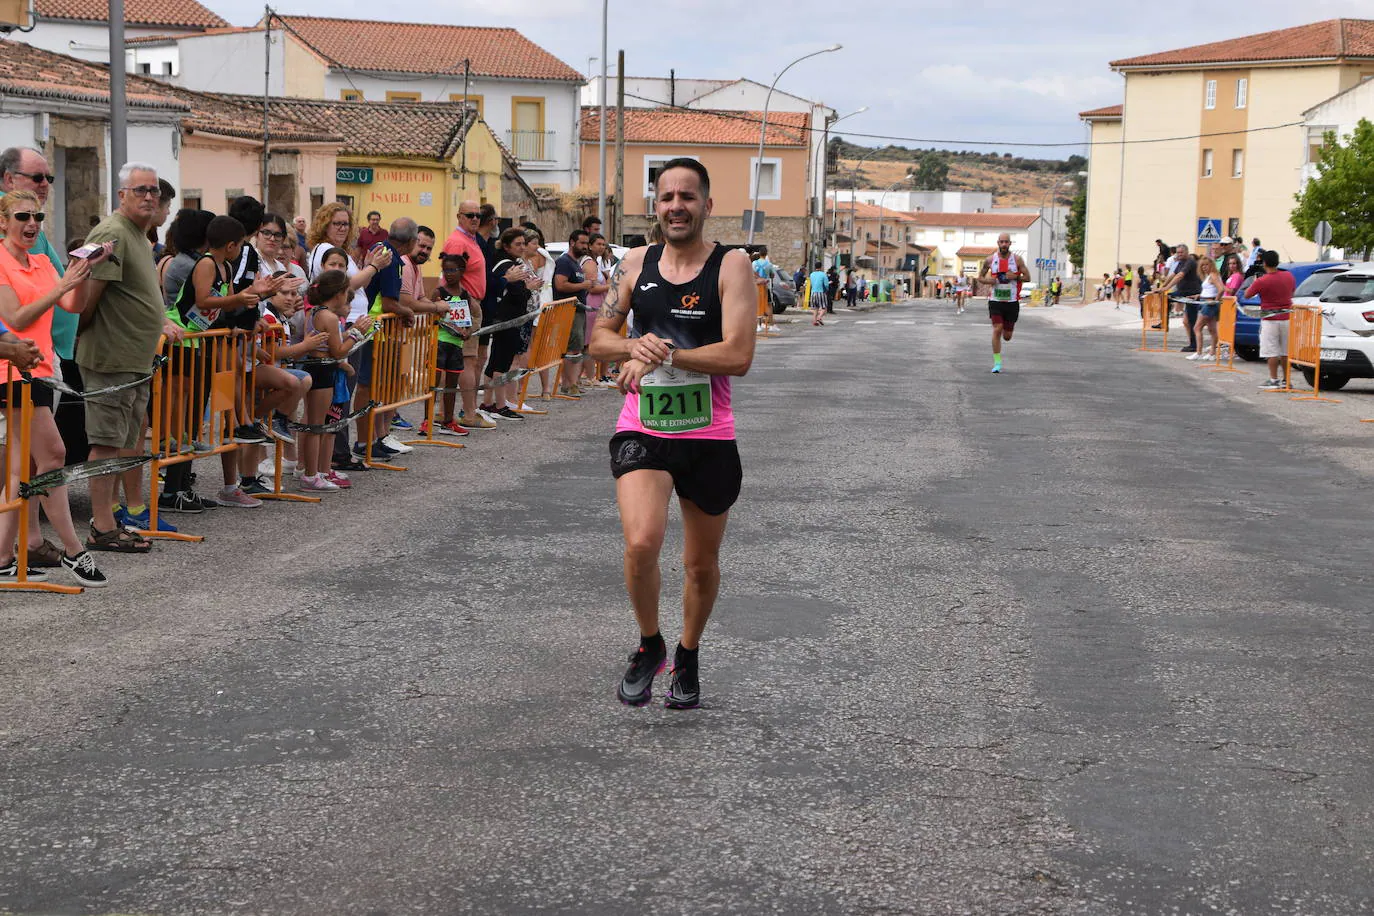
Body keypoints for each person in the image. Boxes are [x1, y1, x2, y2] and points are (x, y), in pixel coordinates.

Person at [587, 157, 756, 710]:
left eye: (687, 196)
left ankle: (687, 652)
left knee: (699, 565)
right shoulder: (635, 263)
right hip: (645, 425)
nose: (676, 206)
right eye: (666, 197)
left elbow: (738, 355)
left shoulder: (732, 266)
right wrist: (635, 347)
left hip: (708, 434)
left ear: (708, 205)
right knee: (641, 544)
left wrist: (667, 351)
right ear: (653, 206)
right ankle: (649, 644)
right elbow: (599, 339)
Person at [78, 162, 187, 552]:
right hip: (111, 357)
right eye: (140, 190)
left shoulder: (139, 236)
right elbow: (87, 301)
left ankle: (110, 521)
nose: (149, 196)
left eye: (153, 190)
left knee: (124, 443)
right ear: (121, 194)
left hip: (133, 360)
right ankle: (102, 527)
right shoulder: (112, 233)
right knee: (106, 444)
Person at [0, 190, 107, 585]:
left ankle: (1, 557)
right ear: (3, 222)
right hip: (12, 372)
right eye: (22, 216)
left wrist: (83, 273)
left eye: (38, 217)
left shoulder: (43, 260)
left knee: (21, 469)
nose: (31, 224)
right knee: (55, 453)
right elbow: (16, 316)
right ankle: (74, 551)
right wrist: (63, 287)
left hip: (43, 369)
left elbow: (74, 307)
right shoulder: (0, 260)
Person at [305, 203, 393, 466]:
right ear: (324, 225)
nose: (342, 228)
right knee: (339, 393)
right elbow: (344, 284)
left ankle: (335, 453)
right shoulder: (324, 249)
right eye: (336, 223)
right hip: (344, 325)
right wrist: (374, 267)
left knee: (343, 391)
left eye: (346, 223)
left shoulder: (339, 251)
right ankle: (336, 455)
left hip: (350, 323)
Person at [297, 269, 371, 491]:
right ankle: (311, 475)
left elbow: (331, 347)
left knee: (317, 424)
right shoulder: (328, 316)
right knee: (317, 427)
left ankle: (317, 471)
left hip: (321, 369)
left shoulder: (317, 312)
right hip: (322, 371)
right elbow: (338, 351)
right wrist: (357, 333)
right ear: (339, 294)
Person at [441, 201, 495, 430]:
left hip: (467, 302)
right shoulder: (456, 241)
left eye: (478, 215)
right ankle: (469, 413)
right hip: (462, 303)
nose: (475, 219)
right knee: (467, 360)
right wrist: (463, 305)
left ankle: (446, 412)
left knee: (460, 359)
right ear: (459, 217)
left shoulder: (469, 240)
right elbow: (449, 274)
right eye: (470, 215)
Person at [480, 227, 540, 420]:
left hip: (507, 318)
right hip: (507, 319)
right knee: (501, 363)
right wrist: (529, 288)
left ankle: (487, 403)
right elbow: (516, 293)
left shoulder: (509, 262)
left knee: (494, 362)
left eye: (524, 243)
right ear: (506, 245)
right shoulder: (507, 265)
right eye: (518, 244)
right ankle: (499, 405)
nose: (522, 247)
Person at [976, 233, 1029, 373]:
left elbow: (1028, 277)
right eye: (1002, 242)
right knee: (997, 328)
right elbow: (980, 277)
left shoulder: (1017, 260)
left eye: (1006, 242)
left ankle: (1008, 330)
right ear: (998, 243)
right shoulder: (989, 260)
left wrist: (1016, 277)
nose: (1004, 244)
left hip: (1012, 301)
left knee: (1007, 336)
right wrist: (989, 281)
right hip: (995, 300)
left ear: (1010, 244)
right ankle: (997, 363)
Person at [553, 229, 596, 397]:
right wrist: (583, 285)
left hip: (578, 311)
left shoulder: (576, 263)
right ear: (572, 242)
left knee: (575, 348)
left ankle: (571, 383)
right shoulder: (564, 262)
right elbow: (560, 285)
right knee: (572, 349)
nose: (585, 246)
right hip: (568, 311)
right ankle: (569, 385)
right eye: (582, 243)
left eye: (586, 243)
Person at [1251, 250, 1294, 390]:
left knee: (1271, 350)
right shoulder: (1288, 276)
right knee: (1285, 351)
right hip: (1287, 317)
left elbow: (1247, 293)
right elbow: (1292, 290)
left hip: (1270, 318)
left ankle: (1273, 379)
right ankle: (1286, 380)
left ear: (1264, 263)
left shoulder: (1263, 280)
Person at [1157, 244, 1203, 352]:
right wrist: (1163, 287)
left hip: (1191, 293)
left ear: (1187, 252)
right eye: (1178, 252)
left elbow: (1180, 275)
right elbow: (1173, 274)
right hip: (1183, 291)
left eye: (1181, 252)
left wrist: (1167, 288)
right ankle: (1163, 322)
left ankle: (1194, 345)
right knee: (1187, 321)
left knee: (1192, 320)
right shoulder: (1181, 262)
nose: (1179, 254)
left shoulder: (1190, 262)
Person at [1188, 257, 1223, 362]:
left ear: (1211, 265)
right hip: (1205, 302)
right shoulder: (1209, 276)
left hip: (1209, 304)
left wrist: (1215, 300)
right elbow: (1209, 290)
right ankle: (1212, 353)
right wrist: (1198, 295)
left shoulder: (1213, 275)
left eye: (1206, 265)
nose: (1204, 267)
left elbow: (1221, 289)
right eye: (1202, 265)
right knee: (1212, 330)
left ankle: (1199, 352)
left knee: (1197, 328)